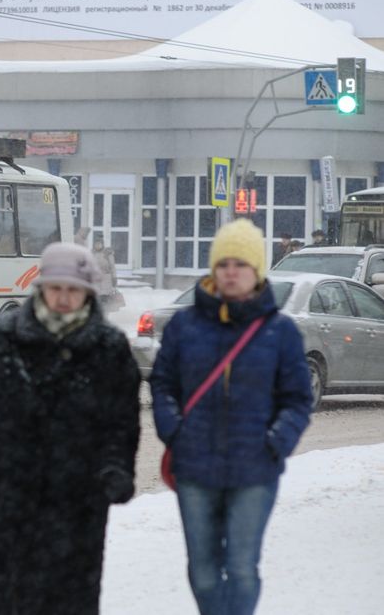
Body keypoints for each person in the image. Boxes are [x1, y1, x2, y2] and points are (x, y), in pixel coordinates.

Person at [0, 242, 140, 615]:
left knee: (70, 595)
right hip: (11, 489)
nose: (64, 298)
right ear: (42, 288)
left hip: (80, 495)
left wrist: (117, 469)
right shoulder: (9, 334)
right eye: (57, 288)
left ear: (87, 292)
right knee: (9, 590)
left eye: (73, 289)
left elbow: (122, 421)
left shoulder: (109, 346)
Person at [150, 219, 313, 615]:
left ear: (256, 271)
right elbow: (162, 384)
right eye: (223, 264)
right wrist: (175, 432)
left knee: (241, 569)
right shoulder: (184, 326)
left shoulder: (280, 331)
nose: (231, 272)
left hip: (254, 471)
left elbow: (297, 399)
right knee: (204, 573)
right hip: (195, 468)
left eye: (241, 264)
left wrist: (276, 441)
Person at [92, 237, 123, 311]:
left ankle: (106, 313)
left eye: (99, 244)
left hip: (106, 279)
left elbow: (112, 267)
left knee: (105, 298)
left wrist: (114, 278)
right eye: (96, 244)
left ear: (102, 244)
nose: (98, 245)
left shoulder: (107, 253)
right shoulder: (91, 253)